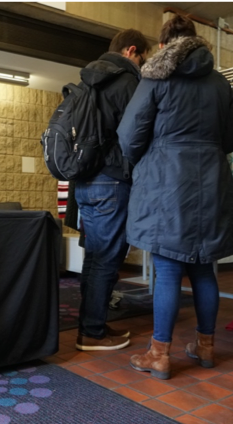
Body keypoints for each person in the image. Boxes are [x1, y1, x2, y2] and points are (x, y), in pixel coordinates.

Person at [116, 15, 233, 379]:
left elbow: (129, 135)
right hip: (212, 182)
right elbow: (232, 139)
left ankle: (159, 354)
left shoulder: (156, 77)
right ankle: (205, 347)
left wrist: (150, 158)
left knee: (168, 268)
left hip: (167, 182)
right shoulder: (220, 83)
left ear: (165, 43)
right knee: (204, 268)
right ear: (196, 41)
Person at [74, 29, 150, 351]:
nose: (143, 65)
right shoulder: (127, 82)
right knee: (106, 260)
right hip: (111, 181)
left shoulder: (86, 80)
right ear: (132, 50)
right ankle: (93, 332)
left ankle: (87, 325)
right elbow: (136, 136)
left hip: (83, 182)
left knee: (93, 257)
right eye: (143, 58)